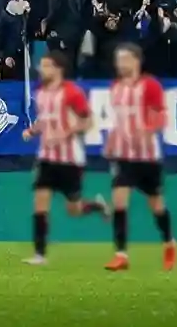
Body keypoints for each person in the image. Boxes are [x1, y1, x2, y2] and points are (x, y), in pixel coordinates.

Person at [23, 51, 107, 265]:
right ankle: (40, 254)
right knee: (40, 205)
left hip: (70, 160)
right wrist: (32, 131)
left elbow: (88, 122)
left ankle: (96, 206)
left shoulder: (72, 92)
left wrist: (66, 132)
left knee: (74, 210)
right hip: (46, 158)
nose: (42, 70)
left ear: (58, 69)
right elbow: (45, 119)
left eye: (46, 66)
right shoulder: (41, 92)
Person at [102, 43, 177, 272]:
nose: (121, 64)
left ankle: (169, 243)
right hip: (124, 156)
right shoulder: (115, 87)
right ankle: (121, 254)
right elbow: (119, 120)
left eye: (125, 59)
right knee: (119, 202)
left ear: (136, 61)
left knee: (156, 206)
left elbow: (161, 116)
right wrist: (112, 141)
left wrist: (146, 131)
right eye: (118, 59)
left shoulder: (150, 85)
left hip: (147, 157)